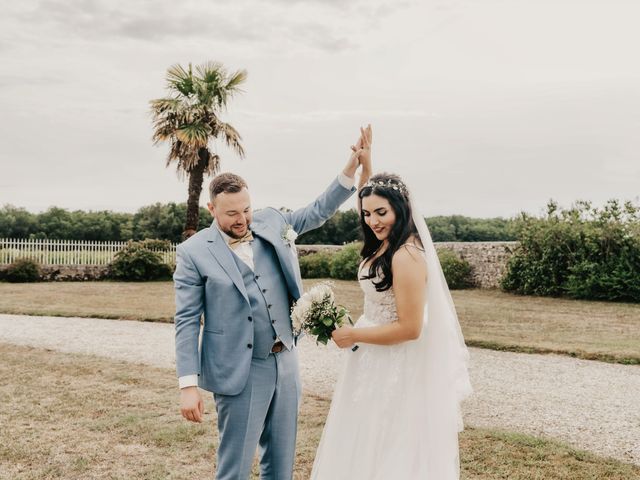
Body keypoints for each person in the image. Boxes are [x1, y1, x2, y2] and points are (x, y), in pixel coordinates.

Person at [173, 126, 372, 480]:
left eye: (246, 209)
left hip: (287, 361)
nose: (242, 219)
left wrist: (351, 166)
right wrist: (188, 384)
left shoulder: (272, 221)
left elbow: (316, 212)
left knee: (281, 463)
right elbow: (187, 320)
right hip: (240, 368)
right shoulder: (193, 253)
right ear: (211, 208)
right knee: (234, 467)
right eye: (232, 213)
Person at [311, 170, 473, 479]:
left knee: (388, 438)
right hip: (372, 357)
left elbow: (410, 328)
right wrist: (365, 166)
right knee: (365, 436)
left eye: (381, 212)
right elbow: (368, 199)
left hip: (392, 361)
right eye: (368, 213)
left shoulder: (406, 255)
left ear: (402, 207)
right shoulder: (386, 242)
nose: (372, 220)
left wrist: (354, 334)